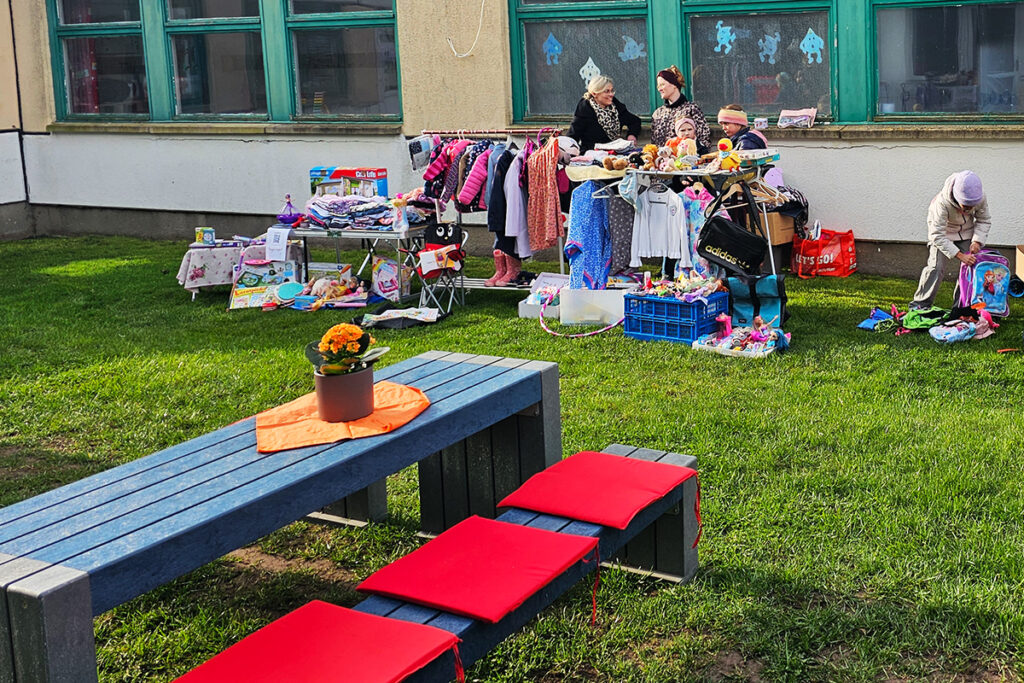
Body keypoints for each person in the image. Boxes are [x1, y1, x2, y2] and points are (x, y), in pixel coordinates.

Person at [910, 170, 992, 309]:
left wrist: (976, 241)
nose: (969, 209)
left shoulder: (980, 197)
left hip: (966, 232)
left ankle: (960, 307)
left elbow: (984, 220)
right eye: (966, 206)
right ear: (957, 197)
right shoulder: (941, 203)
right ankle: (919, 306)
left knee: (970, 268)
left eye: (972, 206)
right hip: (943, 234)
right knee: (936, 268)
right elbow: (937, 235)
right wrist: (960, 255)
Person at [567, 75, 641, 153]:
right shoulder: (584, 110)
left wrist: (632, 135)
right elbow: (572, 138)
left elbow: (635, 121)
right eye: (607, 91)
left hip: (616, 152)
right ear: (594, 93)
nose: (611, 94)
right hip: (593, 154)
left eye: (612, 90)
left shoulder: (615, 106)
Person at [650, 65, 711, 153]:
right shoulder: (657, 113)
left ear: (674, 85)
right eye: (658, 86)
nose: (659, 89)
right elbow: (654, 144)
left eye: (662, 85)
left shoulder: (692, 109)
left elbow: (704, 141)